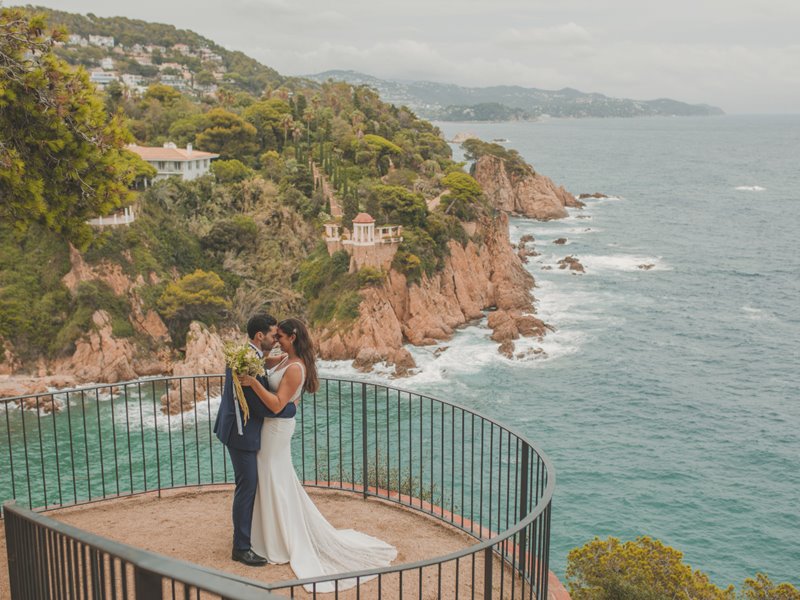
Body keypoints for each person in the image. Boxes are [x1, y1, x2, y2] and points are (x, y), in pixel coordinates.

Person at [239, 318, 397, 591]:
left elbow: (277, 404)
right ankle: (268, 533)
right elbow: (263, 364)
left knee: (274, 476)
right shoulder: (282, 359)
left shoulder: (296, 368)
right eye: (274, 336)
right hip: (270, 428)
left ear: (293, 337)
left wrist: (253, 384)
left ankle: (279, 538)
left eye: (280, 337)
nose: (276, 340)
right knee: (273, 477)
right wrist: (250, 360)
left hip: (276, 429)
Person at [213, 313, 296, 566]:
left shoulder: (251, 356)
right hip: (241, 434)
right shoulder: (247, 362)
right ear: (260, 336)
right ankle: (241, 548)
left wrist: (282, 360)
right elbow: (260, 407)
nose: (275, 338)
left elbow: (264, 364)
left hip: (237, 430)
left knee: (248, 486)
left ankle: (247, 538)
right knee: (247, 487)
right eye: (273, 334)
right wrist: (290, 409)